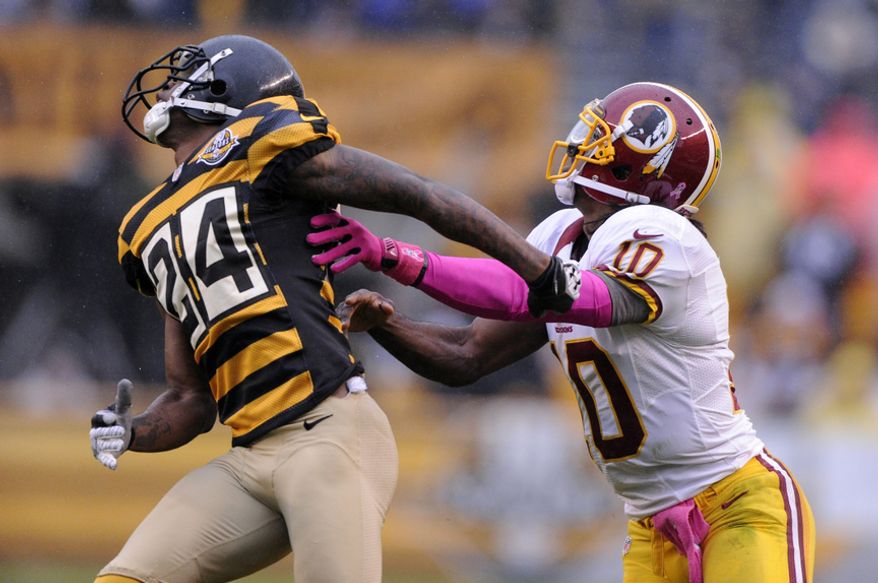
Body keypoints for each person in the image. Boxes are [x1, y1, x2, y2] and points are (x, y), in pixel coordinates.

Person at [88, 34, 579, 583]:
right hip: (248, 458)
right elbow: (190, 400)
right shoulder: (144, 225)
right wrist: (134, 431)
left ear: (226, 89)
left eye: (191, 74)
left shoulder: (258, 147)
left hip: (329, 434)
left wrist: (539, 268)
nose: (170, 86)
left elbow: (419, 194)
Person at [309, 82, 816, 583]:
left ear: (644, 162)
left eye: (604, 137)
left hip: (736, 506)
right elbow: (466, 354)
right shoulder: (562, 236)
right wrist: (387, 324)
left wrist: (395, 255)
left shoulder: (669, 239)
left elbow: (564, 294)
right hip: (649, 525)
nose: (585, 143)